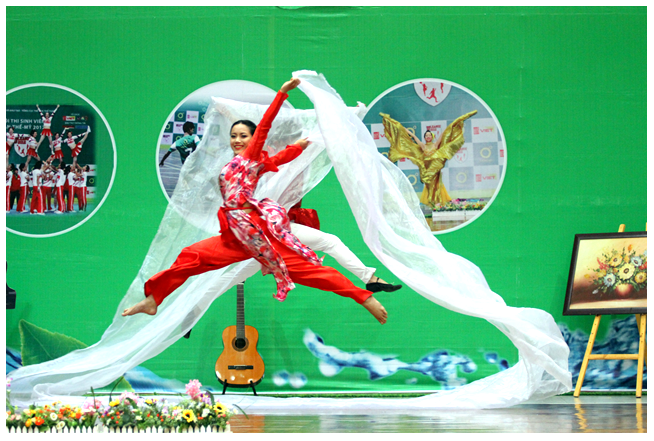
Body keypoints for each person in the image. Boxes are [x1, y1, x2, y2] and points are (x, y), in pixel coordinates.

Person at [123, 78, 388, 325]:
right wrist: (297, 147)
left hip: (256, 231)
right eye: (233, 135)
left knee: (306, 271)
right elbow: (279, 159)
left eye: (243, 136)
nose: (237, 140)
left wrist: (282, 94)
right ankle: (154, 299)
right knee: (191, 256)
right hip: (234, 234)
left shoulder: (251, 157)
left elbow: (266, 129)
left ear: (253, 140)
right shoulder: (244, 163)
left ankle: (365, 297)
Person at [287, 200, 402, 293]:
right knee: (331, 243)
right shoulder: (282, 179)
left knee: (331, 242)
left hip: (285, 224)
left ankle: (370, 279)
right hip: (279, 227)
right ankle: (370, 279)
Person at [381, 111, 477, 208]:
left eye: (429, 135)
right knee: (429, 186)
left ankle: (437, 203)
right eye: (426, 135)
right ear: (425, 138)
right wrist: (403, 129)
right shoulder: (423, 146)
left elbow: (444, 134)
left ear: (432, 137)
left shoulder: (435, 145)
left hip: (435, 170)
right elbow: (413, 137)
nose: (428, 137)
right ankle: (432, 202)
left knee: (437, 186)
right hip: (426, 170)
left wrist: (453, 125)